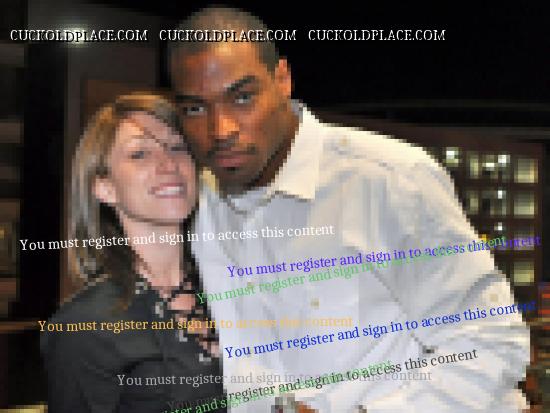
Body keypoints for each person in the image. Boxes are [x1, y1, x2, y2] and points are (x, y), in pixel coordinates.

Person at [169, 6, 530, 413]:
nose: (221, 130)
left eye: (243, 97)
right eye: (195, 109)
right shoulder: (194, 203)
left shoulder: (389, 180)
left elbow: (489, 341)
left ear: (282, 79)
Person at [40, 93, 224, 413]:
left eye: (178, 147)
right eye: (140, 153)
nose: (168, 164)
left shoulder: (230, 289)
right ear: (104, 187)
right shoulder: (84, 326)